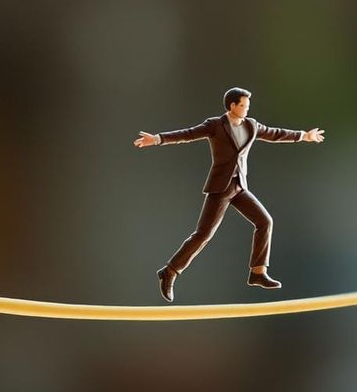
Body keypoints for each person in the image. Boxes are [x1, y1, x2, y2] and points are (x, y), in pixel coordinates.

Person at [135, 87, 325, 301]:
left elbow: (275, 133)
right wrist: (158, 139)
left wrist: (304, 136)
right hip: (220, 187)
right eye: (243, 105)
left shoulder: (251, 125)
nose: (246, 109)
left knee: (264, 221)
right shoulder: (215, 125)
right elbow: (188, 134)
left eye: (248, 106)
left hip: (239, 186)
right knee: (203, 234)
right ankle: (169, 271)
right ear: (232, 106)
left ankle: (258, 272)